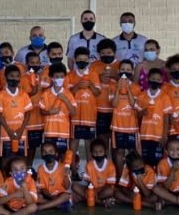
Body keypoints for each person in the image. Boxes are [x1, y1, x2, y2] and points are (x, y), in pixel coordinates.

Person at [67, 46, 101, 178]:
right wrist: (77, 86)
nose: (82, 62)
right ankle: (73, 171)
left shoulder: (93, 74)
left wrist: (90, 85)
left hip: (89, 115)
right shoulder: (70, 75)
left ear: (88, 60)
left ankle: (89, 171)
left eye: (85, 59)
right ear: (75, 60)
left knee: (89, 143)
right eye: (79, 59)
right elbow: (67, 93)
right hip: (75, 115)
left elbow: (97, 93)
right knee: (73, 142)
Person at [0, 64, 33, 163]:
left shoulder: (24, 94)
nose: (14, 79)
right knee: (6, 158)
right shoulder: (1, 95)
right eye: (11, 76)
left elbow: (28, 113)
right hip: (6, 133)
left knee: (21, 158)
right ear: (5, 77)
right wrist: (8, 130)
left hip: (21, 133)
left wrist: (21, 129)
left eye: (17, 76)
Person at [136, 68, 173, 168]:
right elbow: (136, 115)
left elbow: (166, 118)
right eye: (153, 79)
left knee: (157, 162)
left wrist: (164, 136)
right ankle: (148, 177)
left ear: (161, 81)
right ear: (147, 79)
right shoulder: (142, 96)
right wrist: (142, 112)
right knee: (145, 161)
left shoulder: (164, 97)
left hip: (158, 136)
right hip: (144, 135)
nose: (155, 81)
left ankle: (157, 177)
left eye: (158, 79)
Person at [110, 59, 141, 180]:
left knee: (133, 151)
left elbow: (134, 105)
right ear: (118, 71)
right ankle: (119, 178)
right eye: (123, 69)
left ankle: (136, 178)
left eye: (128, 70)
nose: (125, 72)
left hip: (132, 126)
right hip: (118, 125)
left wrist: (128, 89)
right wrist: (118, 89)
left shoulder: (136, 87)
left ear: (132, 72)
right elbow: (114, 104)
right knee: (119, 152)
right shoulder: (113, 86)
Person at [39, 62, 76, 159]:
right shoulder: (46, 94)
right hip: (49, 131)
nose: (59, 79)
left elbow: (73, 113)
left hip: (63, 132)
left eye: (62, 76)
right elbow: (41, 111)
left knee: (63, 157)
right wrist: (49, 112)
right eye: (56, 76)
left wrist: (66, 100)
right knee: (50, 156)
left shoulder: (68, 94)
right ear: (51, 77)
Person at [90, 39, 119, 151]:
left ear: (114, 52)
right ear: (99, 54)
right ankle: (104, 160)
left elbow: (129, 83)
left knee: (116, 141)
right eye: (103, 53)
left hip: (117, 109)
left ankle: (115, 162)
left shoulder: (120, 65)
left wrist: (115, 75)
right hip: (99, 108)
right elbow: (89, 83)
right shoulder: (94, 65)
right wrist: (99, 78)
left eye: (109, 53)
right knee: (102, 138)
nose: (106, 55)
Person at [72, 139, 116, 207]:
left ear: (105, 152)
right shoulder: (89, 165)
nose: (98, 154)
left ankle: (88, 198)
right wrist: (92, 191)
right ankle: (100, 202)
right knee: (74, 186)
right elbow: (89, 182)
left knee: (111, 191)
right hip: (91, 189)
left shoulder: (110, 165)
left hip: (103, 190)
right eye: (95, 152)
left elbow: (108, 184)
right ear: (91, 153)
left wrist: (96, 191)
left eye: (100, 151)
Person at [35, 141, 72, 213]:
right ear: (41, 155)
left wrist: (66, 176)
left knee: (66, 196)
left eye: (51, 151)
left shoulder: (63, 167)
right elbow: (42, 188)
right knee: (37, 196)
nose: (48, 154)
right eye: (45, 152)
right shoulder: (40, 168)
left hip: (60, 194)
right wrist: (51, 197)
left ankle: (41, 207)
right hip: (48, 195)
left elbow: (67, 187)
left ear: (56, 154)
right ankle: (56, 204)